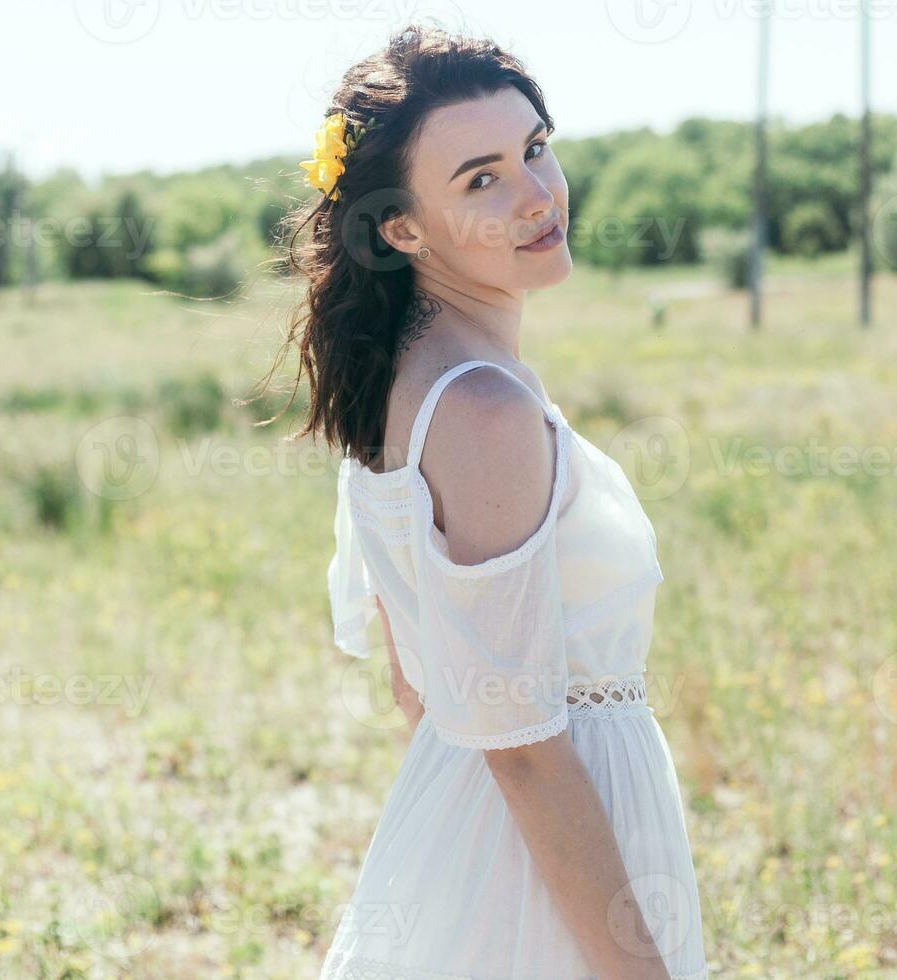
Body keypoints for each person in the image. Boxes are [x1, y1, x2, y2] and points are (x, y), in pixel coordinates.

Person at [270, 23, 708, 980]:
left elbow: (415, 686)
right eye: (481, 178)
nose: (537, 195)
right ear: (403, 228)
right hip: (545, 845)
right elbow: (521, 746)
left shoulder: (403, 381)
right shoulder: (478, 409)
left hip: (476, 827)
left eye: (535, 150)